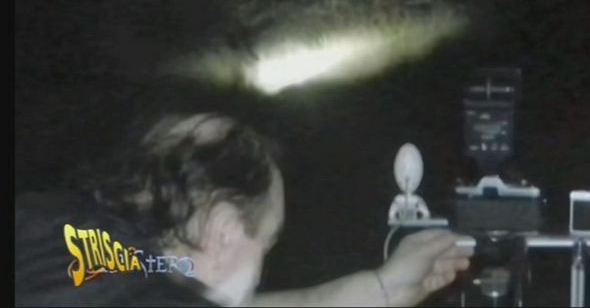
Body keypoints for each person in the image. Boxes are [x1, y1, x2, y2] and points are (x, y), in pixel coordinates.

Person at [15, 112, 473, 307]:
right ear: (224, 232)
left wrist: (383, 289)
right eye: (267, 242)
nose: (262, 266)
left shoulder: (72, 243)